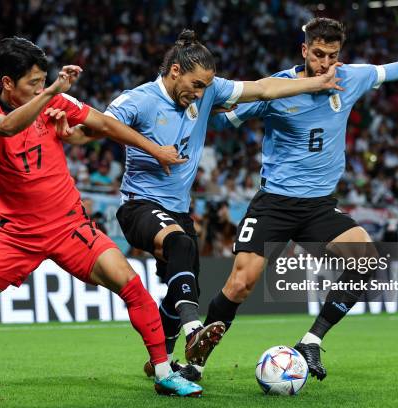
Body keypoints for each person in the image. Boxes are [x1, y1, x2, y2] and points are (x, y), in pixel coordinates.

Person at [205, 17, 398, 381]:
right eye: (318, 55)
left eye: (332, 55)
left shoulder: (350, 79)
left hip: (319, 206)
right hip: (275, 203)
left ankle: (311, 340)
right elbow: (224, 121)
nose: (326, 64)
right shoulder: (277, 89)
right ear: (304, 51)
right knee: (240, 284)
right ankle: (195, 360)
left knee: (367, 261)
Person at [0, 37, 201, 397]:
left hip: (70, 227)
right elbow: (5, 128)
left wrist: (154, 150)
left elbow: (105, 125)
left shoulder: (57, 101)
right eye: (32, 82)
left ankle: (163, 371)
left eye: (42, 80)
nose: (39, 88)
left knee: (131, 284)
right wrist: (49, 94)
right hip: (17, 235)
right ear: (7, 84)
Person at [61, 28, 342, 380]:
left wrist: (314, 85)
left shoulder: (206, 92)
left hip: (178, 212)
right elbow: (99, 127)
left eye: (206, 87)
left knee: (181, 289)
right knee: (179, 248)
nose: (200, 94)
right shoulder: (138, 100)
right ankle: (195, 331)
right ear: (175, 71)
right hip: (139, 206)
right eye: (195, 85)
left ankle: (160, 358)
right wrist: (75, 135)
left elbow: (265, 88)